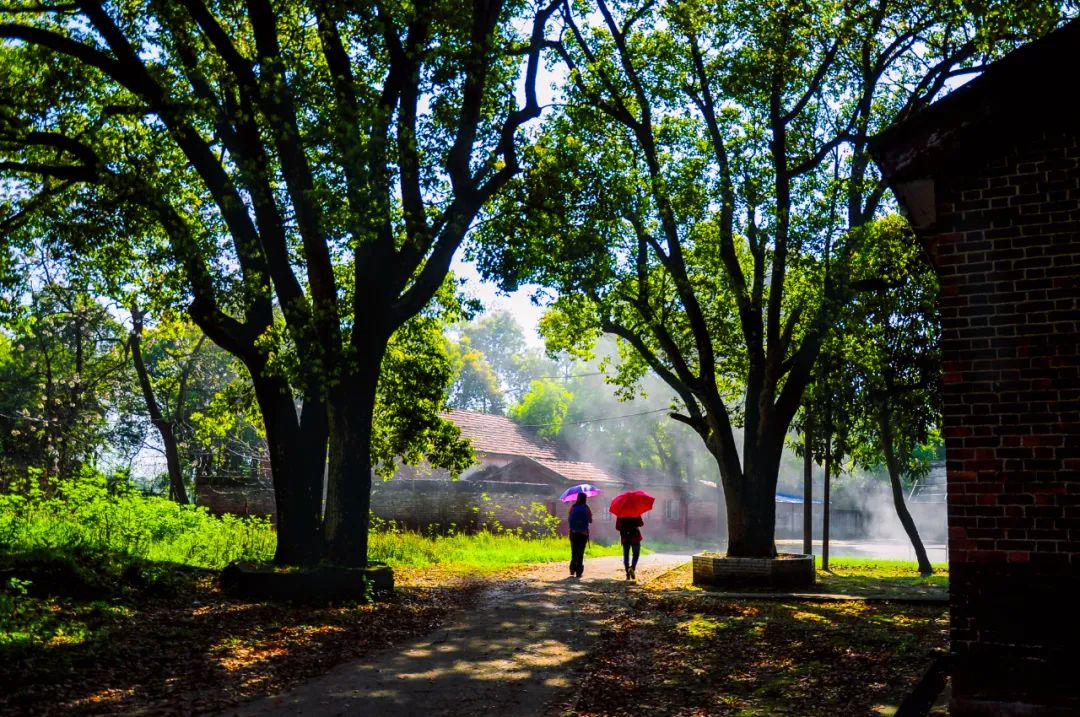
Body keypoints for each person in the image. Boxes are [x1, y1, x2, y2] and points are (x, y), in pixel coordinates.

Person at [567, 492, 592, 578]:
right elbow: (590, 520)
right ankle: (579, 572)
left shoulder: (573, 507)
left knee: (574, 552)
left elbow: (569, 518)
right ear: (585, 499)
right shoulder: (586, 508)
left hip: (573, 533)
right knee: (581, 553)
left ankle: (572, 569)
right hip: (583, 534)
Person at [615, 515, 644, 580]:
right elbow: (641, 523)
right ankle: (632, 568)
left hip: (625, 537)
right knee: (636, 554)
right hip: (635, 537)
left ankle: (627, 574)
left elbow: (617, 527)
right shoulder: (635, 512)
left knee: (626, 555)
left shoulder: (620, 514)